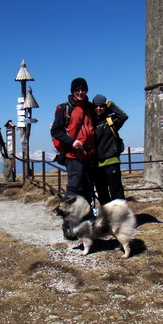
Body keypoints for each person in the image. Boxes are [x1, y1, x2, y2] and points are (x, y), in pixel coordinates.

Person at [51, 78, 96, 237]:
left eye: (83, 89)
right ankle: (68, 227)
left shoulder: (90, 108)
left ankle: (88, 222)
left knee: (89, 191)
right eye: (77, 89)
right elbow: (56, 132)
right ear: (72, 91)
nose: (80, 92)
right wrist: (72, 142)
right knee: (73, 192)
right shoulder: (66, 109)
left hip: (89, 156)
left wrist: (109, 105)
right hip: (73, 156)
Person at [92, 94, 128, 205]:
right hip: (97, 165)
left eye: (101, 106)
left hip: (111, 161)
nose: (98, 108)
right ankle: (107, 218)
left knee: (116, 192)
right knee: (102, 194)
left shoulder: (111, 120)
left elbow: (123, 116)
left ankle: (121, 218)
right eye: (96, 106)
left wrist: (111, 105)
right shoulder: (92, 122)